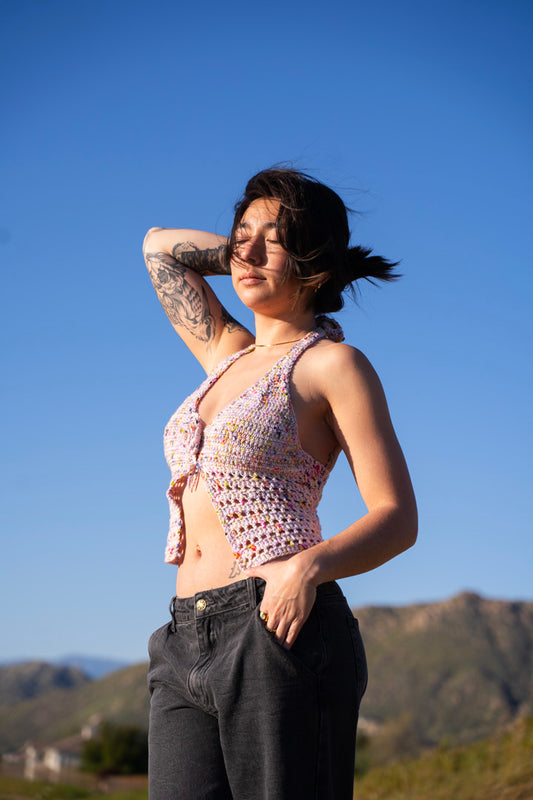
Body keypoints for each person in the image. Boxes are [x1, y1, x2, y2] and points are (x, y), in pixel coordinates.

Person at [144, 167, 417, 800]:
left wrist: (306, 571)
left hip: (277, 627)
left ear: (314, 257)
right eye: (244, 234)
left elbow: (397, 516)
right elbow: (159, 248)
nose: (250, 251)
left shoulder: (332, 365)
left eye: (278, 237)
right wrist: (250, 248)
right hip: (184, 635)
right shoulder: (225, 354)